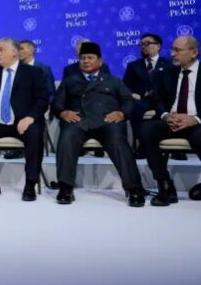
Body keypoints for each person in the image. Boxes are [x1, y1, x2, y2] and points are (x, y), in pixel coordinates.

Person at [140, 36, 201, 205]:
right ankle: (164, 184)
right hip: (172, 121)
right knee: (146, 130)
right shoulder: (166, 73)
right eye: (172, 49)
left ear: (194, 52)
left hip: (200, 123)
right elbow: (158, 100)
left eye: (177, 50)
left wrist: (194, 119)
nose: (172, 54)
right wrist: (166, 116)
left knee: (200, 137)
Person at [52, 42, 145, 207]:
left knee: (118, 141)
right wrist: (63, 112)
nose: (86, 61)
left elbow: (128, 101)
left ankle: (134, 188)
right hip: (78, 121)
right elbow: (56, 102)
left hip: (107, 122)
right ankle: (65, 187)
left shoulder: (114, 81)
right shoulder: (69, 81)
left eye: (90, 58)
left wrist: (122, 113)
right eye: (82, 58)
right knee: (67, 138)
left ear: (100, 61)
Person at [0, 38, 49, 201]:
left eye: (1, 50)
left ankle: (30, 184)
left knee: (35, 133)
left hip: (23, 122)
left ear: (14, 52)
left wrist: (30, 117)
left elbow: (43, 99)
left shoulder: (33, 73)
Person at [122, 33, 177, 157]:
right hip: (142, 100)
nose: (144, 46)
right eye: (141, 44)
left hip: (164, 100)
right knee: (133, 108)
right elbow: (124, 86)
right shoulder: (133, 66)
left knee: (168, 109)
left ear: (158, 46)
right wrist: (132, 94)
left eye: (147, 43)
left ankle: (174, 150)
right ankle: (142, 145)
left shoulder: (169, 65)